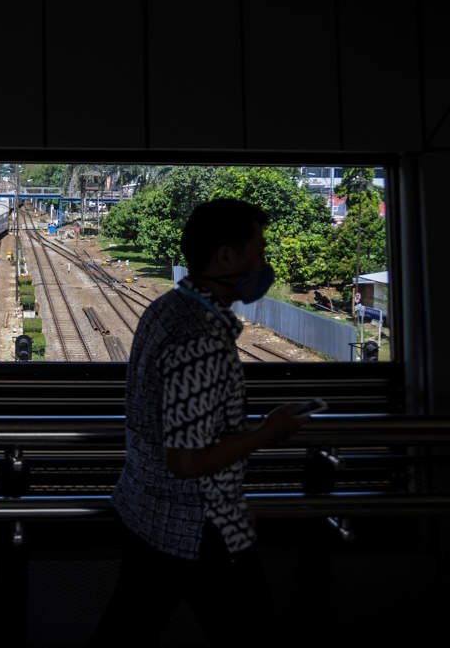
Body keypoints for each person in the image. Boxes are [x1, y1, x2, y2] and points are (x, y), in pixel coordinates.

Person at [88, 199, 313, 647]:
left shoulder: (166, 308)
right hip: (194, 525)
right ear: (226, 256)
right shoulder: (199, 337)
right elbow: (187, 461)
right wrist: (269, 432)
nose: (265, 263)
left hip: (147, 510)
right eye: (259, 249)